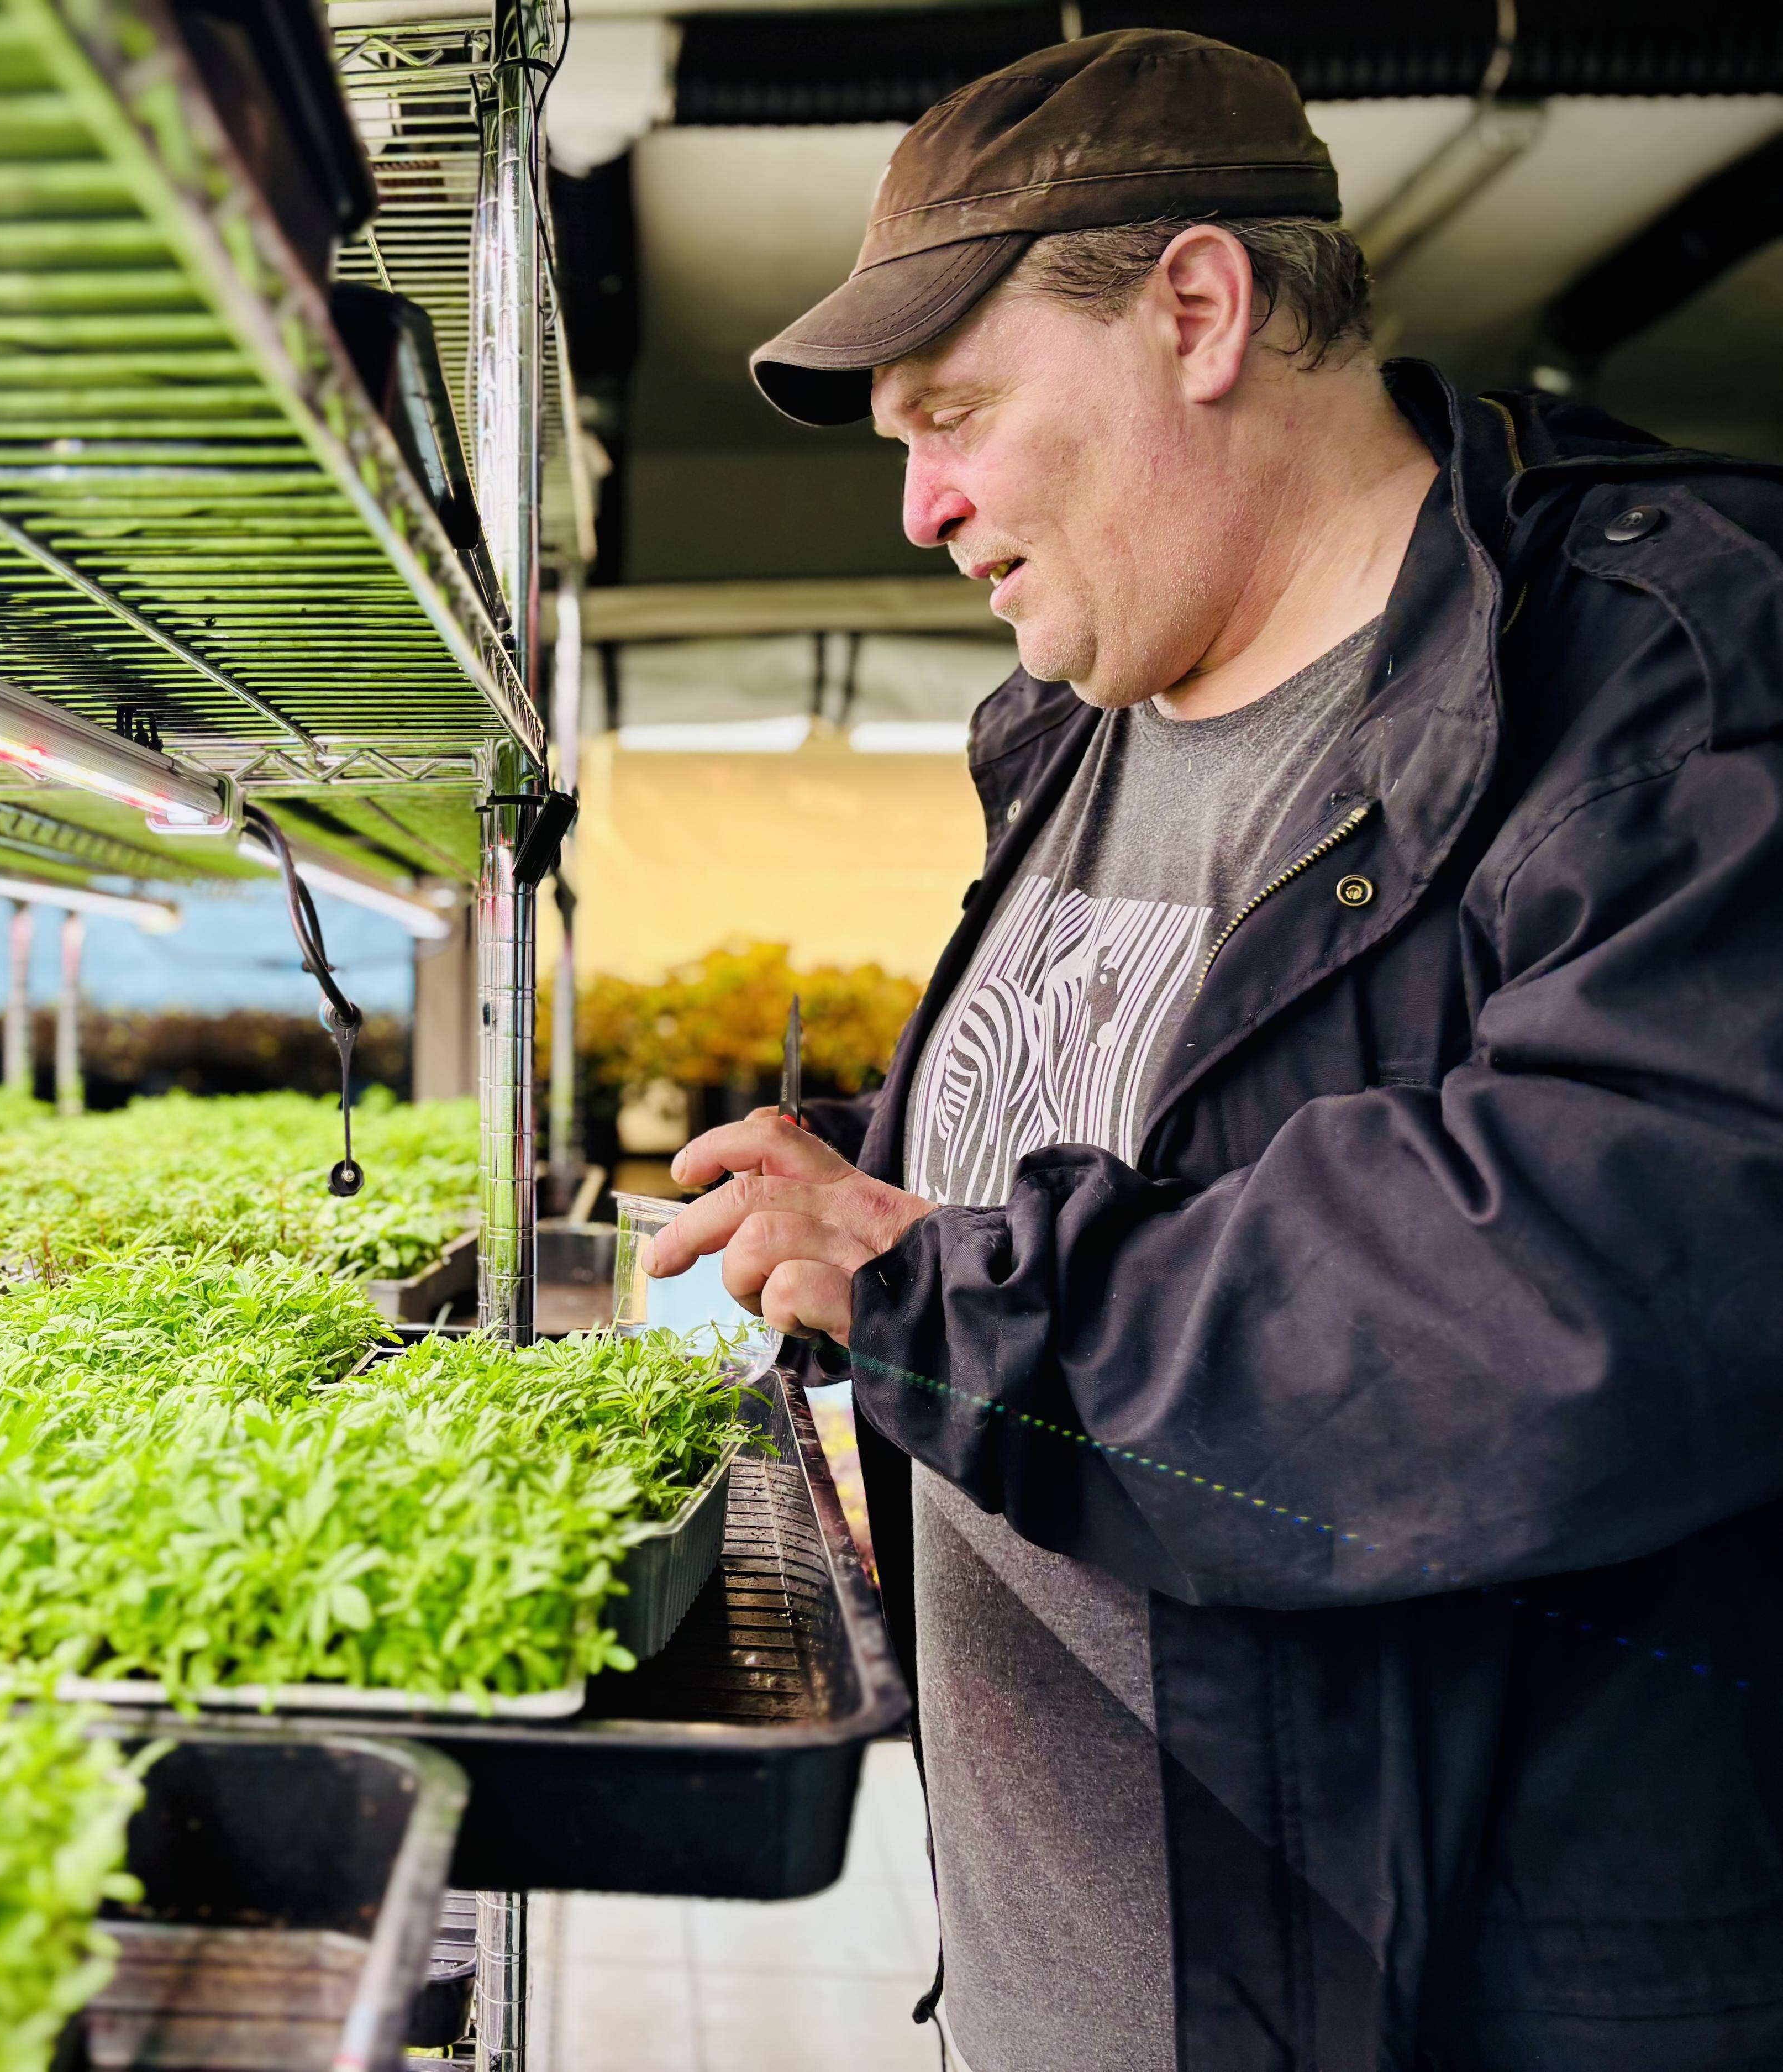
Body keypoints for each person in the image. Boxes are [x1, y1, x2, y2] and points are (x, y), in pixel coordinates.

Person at [648, 28, 1783, 2072]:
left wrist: (936, 1292)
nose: (921, 506)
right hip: (1062, 1994)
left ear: (1196, 310)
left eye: (955, 414)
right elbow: (1140, 1135)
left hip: (1436, 2005)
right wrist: (847, 1198)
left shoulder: (1659, 674)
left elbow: (1589, 1286)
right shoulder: (1079, 721)